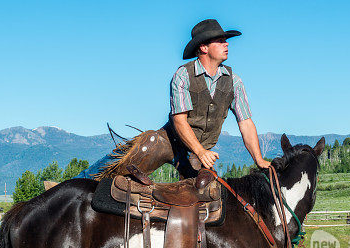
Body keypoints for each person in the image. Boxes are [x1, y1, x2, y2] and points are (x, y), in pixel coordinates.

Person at [77, 18, 270, 180]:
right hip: (169, 141)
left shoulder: (234, 81)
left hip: (199, 151)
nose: (226, 44)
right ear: (203, 47)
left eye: (225, 41)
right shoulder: (183, 75)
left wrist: (259, 159)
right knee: (130, 158)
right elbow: (179, 120)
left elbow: (245, 122)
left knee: (209, 192)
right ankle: (77, 183)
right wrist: (201, 152)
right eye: (220, 41)